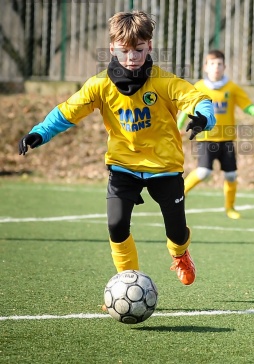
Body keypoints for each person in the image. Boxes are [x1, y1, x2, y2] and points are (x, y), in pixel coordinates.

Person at [18, 11, 216, 286]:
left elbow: (198, 99)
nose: (132, 57)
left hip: (164, 167)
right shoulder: (99, 85)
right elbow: (67, 112)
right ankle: (128, 280)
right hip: (123, 166)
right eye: (124, 51)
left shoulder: (164, 82)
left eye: (139, 49)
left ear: (149, 47)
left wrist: (203, 117)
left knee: (177, 231)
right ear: (112, 48)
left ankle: (180, 254)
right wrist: (39, 132)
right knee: (116, 225)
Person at [177, 50, 254, 220]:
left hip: (226, 139)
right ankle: (179, 195)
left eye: (219, 64)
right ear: (205, 67)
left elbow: (247, 106)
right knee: (203, 172)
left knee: (231, 175)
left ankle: (230, 208)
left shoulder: (232, 88)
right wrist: (178, 126)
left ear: (224, 66)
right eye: (212, 64)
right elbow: (187, 108)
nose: (216, 67)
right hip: (206, 138)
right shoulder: (199, 87)